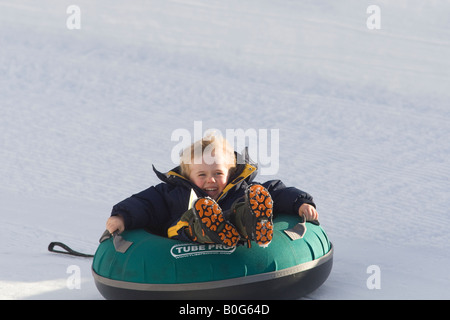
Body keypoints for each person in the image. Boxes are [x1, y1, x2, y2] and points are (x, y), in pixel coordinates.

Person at [106, 134, 318, 248]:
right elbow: (145, 203)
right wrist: (121, 217)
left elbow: (277, 192)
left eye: (218, 173)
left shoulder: (241, 188)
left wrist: (301, 202)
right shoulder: (172, 193)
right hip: (187, 233)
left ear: (230, 171)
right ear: (188, 175)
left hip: (233, 228)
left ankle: (253, 221)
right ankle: (209, 227)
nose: (211, 181)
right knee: (194, 217)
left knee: (243, 207)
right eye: (202, 175)